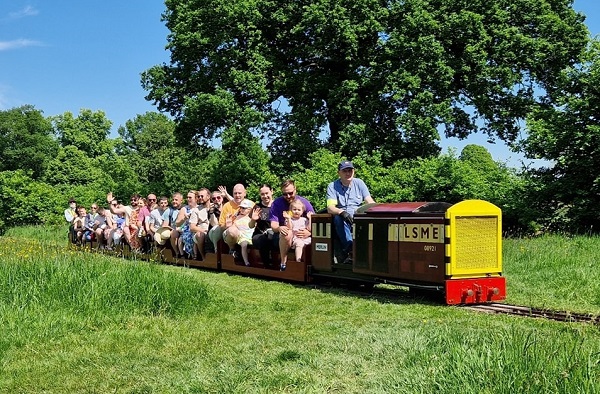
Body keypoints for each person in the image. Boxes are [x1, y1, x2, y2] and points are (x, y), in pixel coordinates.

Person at [326, 160, 375, 263]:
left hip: (358, 216)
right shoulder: (332, 186)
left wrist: (378, 210)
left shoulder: (359, 183)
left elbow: (369, 201)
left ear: (354, 171)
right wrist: (343, 212)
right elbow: (330, 208)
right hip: (342, 217)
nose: (348, 173)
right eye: (345, 171)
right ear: (339, 173)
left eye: (350, 170)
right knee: (339, 219)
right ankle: (351, 251)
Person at [269, 180, 314, 270]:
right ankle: (283, 263)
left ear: (295, 189)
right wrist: (279, 228)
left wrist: (309, 232)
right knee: (287, 232)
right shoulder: (276, 204)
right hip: (282, 236)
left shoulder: (304, 202)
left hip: (302, 236)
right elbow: (273, 225)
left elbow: (314, 220)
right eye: (285, 194)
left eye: (290, 193)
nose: (288, 196)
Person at [281, 199, 312, 268]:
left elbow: (309, 229)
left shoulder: (304, 220)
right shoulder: (289, 219)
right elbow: (289, 228)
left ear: (302, 211)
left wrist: (310, 219)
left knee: (314, 242)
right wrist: (288, 219)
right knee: (299, 243)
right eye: (294, 209)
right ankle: (298, 260)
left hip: (306, 238)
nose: (296, 211)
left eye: (299, 210)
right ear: (291, 211)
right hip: (296, 239)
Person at [250, 184, 275, 266]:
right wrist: (253, 219)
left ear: (272, 192)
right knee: (263, 240)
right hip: (260, 234)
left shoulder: (277, 205)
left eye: (267, 193)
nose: (265, 196)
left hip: (275, 233)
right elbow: (250, 226)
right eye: (262, 194)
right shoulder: (257, 207)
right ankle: (266, 265)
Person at [228, 199, 256, 266]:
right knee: (244, 244)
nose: (241, 209)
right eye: (240, 207)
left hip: (249, 236)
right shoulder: (237, 217)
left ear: (249, 209)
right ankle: (246, 262)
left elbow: (253, 226)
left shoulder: (251, 217)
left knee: (248, 243)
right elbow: (232, 226)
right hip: (241, 236)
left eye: (243, 208)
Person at [190, 188, 211, 260]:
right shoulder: (196, 210)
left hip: (212, 230)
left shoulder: (214, 206)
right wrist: (204, 231)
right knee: (200, 235)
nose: (200, 198)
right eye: (199, 196)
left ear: (208, 196)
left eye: (202, 196)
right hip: (201, 232)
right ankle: (203, 257)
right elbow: (192, 227)